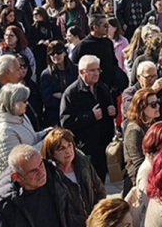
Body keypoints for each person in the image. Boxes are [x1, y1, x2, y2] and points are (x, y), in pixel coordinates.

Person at [0, 144, 82, 227]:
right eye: (33, 171)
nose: (41, 172)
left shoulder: (53, 179)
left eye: (41, 164)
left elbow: (66, 218)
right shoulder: (4, 208)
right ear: (16, 177)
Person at [59, 54, 117, 182]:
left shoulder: (102, 88)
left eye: (98, 70)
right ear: (81, 72)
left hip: (103, 144)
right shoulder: (71, 93)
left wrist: (113, 111)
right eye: (92, 70)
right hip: (85, 147)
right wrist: (90, 116)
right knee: (87, 182)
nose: (96, 73)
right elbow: (66, 122)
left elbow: (110, 109)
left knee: (100, 181)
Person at [0, 83, 48, 182]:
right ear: (13, 103)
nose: (27, 103)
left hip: (30, 176)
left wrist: (44, 133)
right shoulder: (4, 131)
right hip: (14, 184)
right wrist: (46, 143)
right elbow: (19, 161)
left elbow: (29, 139)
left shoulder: (20, 116)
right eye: (24, 101)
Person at [41, 128, 106, 218]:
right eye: (62, 149)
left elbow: (99, 189)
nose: (68, 151)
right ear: (52, 153)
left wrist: (97, 213)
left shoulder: (83, 163)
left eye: (69, 145)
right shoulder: (50, 176)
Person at [123, 88, 160, 193]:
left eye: (157, 103)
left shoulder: (151, 123)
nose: (158, 107)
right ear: (142, 108)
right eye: (153, 105)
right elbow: (138, 163)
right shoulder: (134, 130)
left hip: (152, 177)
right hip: (138, 183)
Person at [40, 41, 77, 127]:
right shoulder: (46, 74)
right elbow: (47, 99)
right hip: (55, 117)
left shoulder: (76, 70)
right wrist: (68, 97)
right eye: (52, 54)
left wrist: (62, 95)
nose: (55, 56)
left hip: (75, 115)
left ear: (65, 53)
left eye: (58, 52)